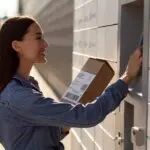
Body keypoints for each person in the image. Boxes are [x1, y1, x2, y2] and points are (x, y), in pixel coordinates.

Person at [0, 16, 142, 150]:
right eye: (38, 38)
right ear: (17, 46)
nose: (45, 44)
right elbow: (88, 116)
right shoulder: (18, 96)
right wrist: (127, 76)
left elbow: (37, 137)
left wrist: (63, 122)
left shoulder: (23, 86)